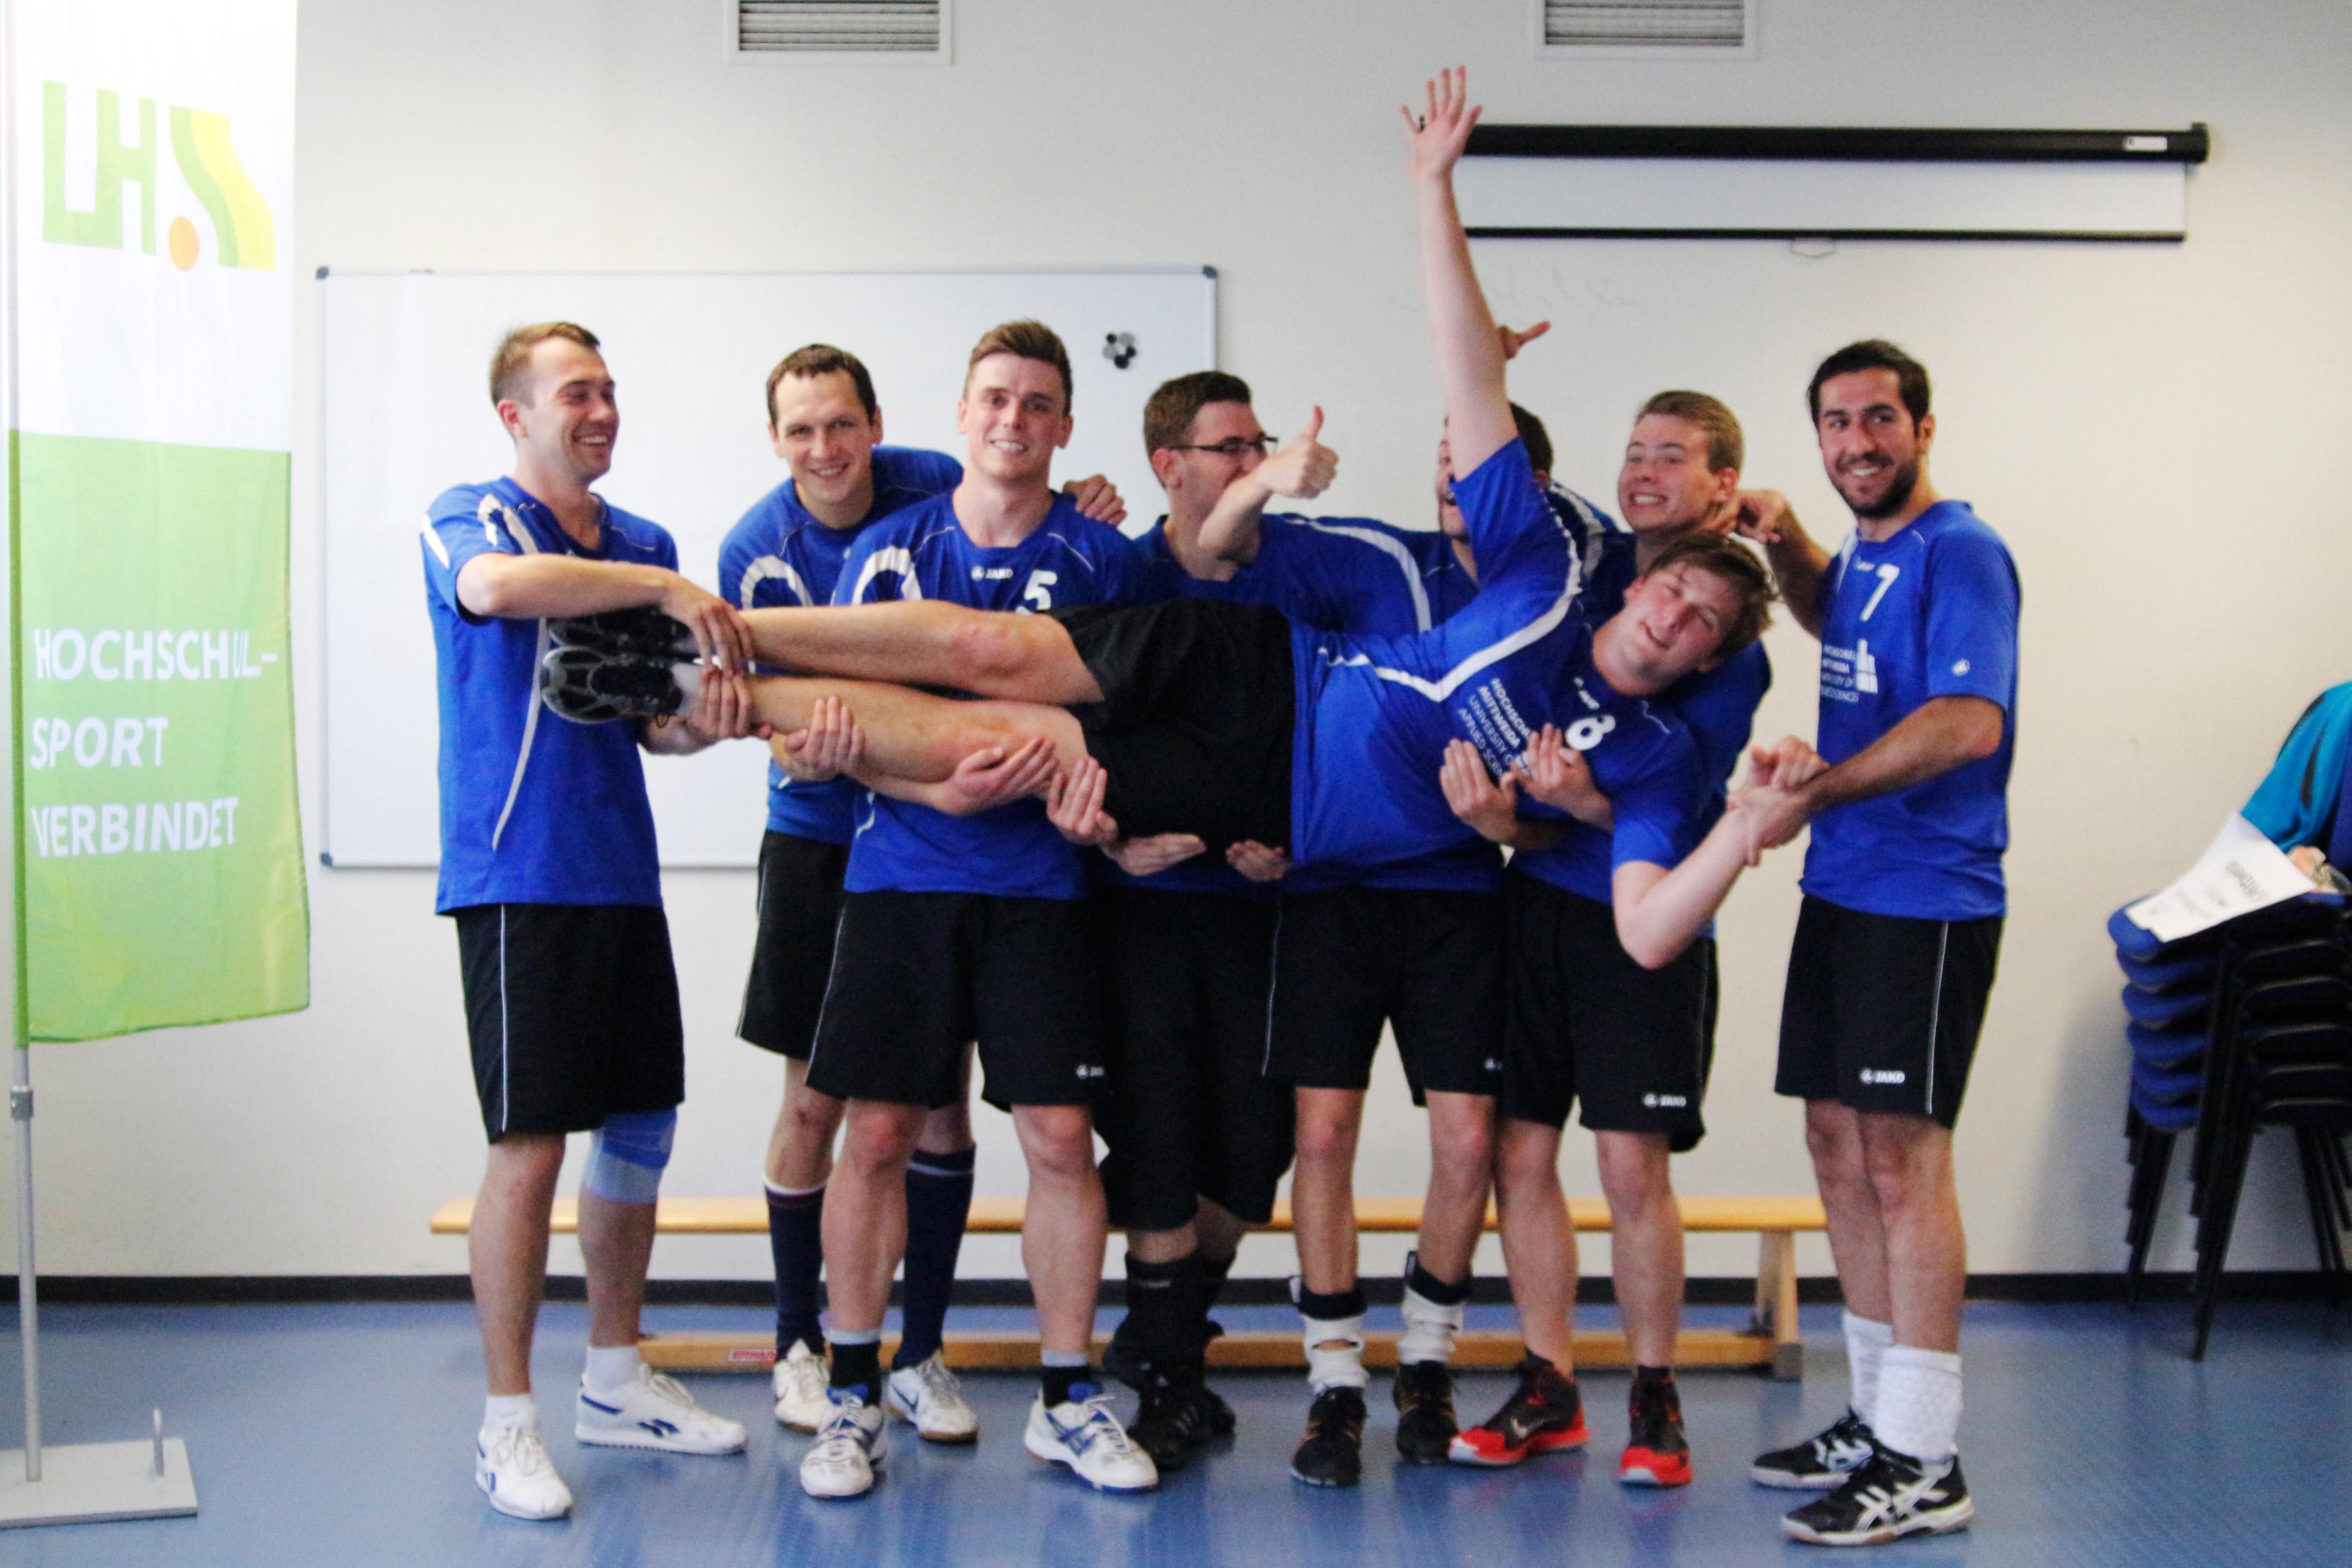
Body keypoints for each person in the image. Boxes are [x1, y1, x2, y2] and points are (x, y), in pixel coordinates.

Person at [719, 342, 1122, 1442]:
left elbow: (1124, 730)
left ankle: (1058, 1397)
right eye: (995, 399)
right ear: (960, 412)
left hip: (1043, 888)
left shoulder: (1102, 558)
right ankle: (844, 1388)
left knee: (1057, 1138)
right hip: (895, 876)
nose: (1012, 420)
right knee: (875, 1129)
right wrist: (927, 787)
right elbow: (836, 725)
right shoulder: (880, 552)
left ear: (1064, 426)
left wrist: (1101, 816)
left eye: (1037, 404)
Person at [420, 321, 753, 1522]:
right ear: (515, 414)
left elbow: (651, 724)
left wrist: (704, 725)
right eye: (576, 393)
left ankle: (616, 1380)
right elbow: (494, 591)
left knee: (641, 1129)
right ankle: (506, 1423)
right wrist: (661, 590)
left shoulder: (648, 542)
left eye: (609, 390)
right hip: (519, 876)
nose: (601, 410)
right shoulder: (471, 517)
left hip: (621, 874)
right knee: (531, 1149)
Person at [1441, 390, 1771, 1488]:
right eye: (1637, 452)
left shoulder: (1714, 677)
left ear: (1722, 487)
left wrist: (1581, 804)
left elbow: (1672, 811)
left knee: (1631, 1163)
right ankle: (1548, 1383)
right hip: (1534, 906)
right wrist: (1514, 824)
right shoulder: (1584, 583)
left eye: (1674, 458)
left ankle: (1654, 1396)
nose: (1646, 473)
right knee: (1518, 1149)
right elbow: (1504, 480)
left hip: (1642, 919)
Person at [1734, 338, 2019, 1547]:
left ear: (1923, 428)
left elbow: (1967, 722)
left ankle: (1925, 1458)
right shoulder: (1865, 551)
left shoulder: (1962, 549)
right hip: (1847, 888)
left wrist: (1821, 790)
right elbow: (1837, 622)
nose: (1857, 441)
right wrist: (1789, 544)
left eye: (1879, 419)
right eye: (1837, 424)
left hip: (1928, 896)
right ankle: (1874, 1415)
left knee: (1903, 1162)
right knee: (1836, 1142)